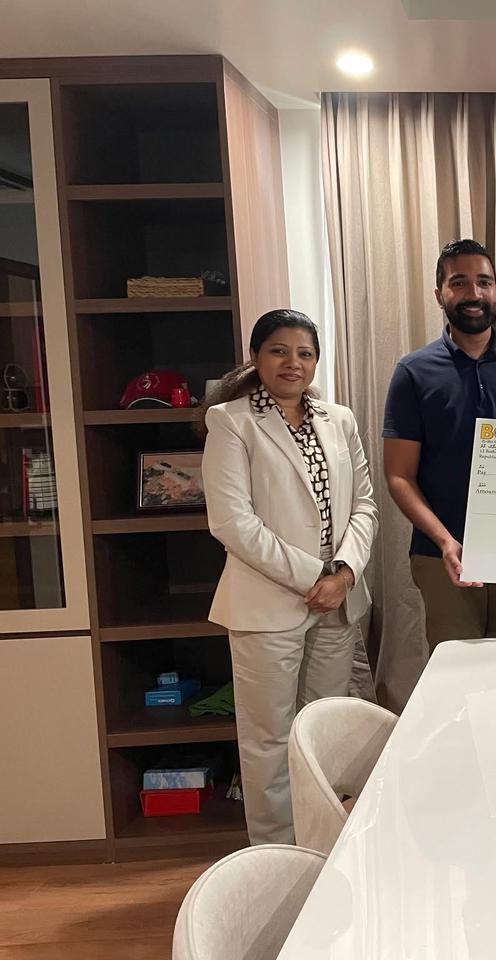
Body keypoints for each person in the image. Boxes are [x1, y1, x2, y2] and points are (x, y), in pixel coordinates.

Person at [202, 309, 378, 844]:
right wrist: (313, 575)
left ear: (316, 361)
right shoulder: (231, 422)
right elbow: (232, 522)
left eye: (304, 353)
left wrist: (344, 573)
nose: (292, 363)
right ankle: (278, 856)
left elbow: (365, 505)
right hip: (268, 600)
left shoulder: (339, 419)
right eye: (279, 350)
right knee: (269, 739)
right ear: (256, 357)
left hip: (337, 597)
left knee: (322, 734)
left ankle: (322, 848)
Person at [382, 239, 496, 708]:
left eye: (483, 282)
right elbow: (399, 475)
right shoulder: (413, 372)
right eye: (459, 283)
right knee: (456, 683)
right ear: (439, 294)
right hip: (442, 555)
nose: (473, 294)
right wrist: (446, 541)